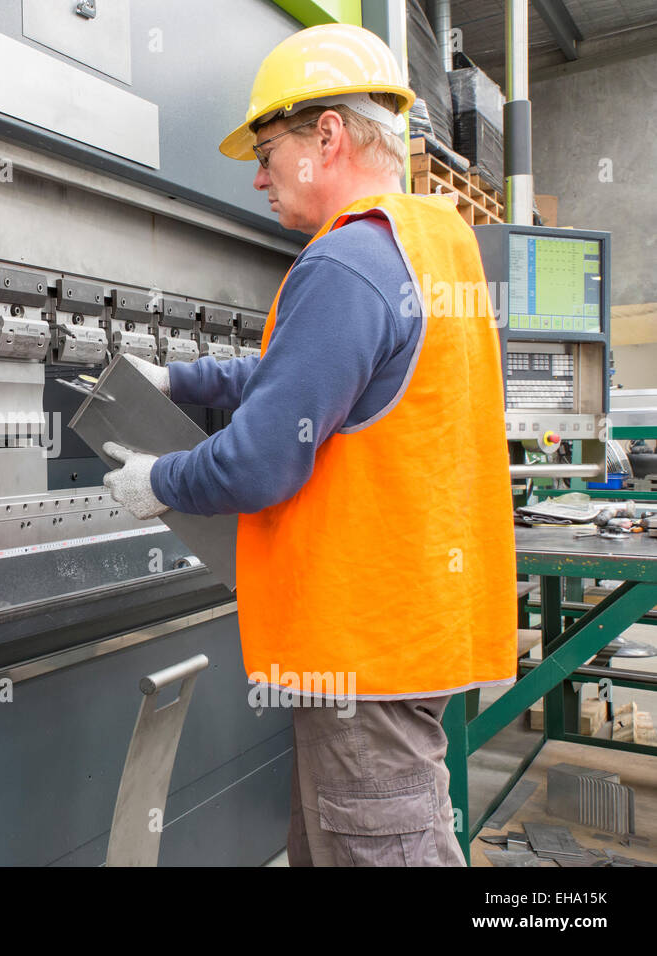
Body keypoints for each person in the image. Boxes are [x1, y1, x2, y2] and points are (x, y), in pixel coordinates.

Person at [100, 23, 516, 866]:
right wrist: (183, 381)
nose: (256, 176)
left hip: (367, 654)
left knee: (383, 849)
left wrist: (159, 479)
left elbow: (260, 459)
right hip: (409, 636)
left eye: (266, 150)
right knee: (336, 845)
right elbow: (311, 381)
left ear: (326, 135)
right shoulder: (428, 246)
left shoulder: (345, 261)